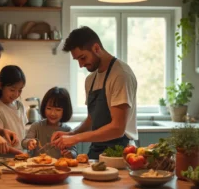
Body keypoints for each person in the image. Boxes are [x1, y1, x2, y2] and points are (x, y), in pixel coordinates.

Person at [51, 26, 138, 160]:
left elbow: (118, 128)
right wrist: (71, 134)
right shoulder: (90, 80)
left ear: (96, 48)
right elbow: (92, 119)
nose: (80, 65)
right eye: (78, 60)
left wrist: (76, 138)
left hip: (120, 152)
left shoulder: (120, 75)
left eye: (83, 58)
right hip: (96, 149)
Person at [22, 87, 77, 159]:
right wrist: (29, 142)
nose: (53, 113)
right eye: (49, 108)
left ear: (65, 111)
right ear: (44, 108)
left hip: (59, 168)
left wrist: (69, 154)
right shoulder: (36, 126)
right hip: (37, 167)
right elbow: (24, 142)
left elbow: (74, 152)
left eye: (58, 110)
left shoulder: (68, 131)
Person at [0, 65, 28, 155]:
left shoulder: (20, 106)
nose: (16, 94)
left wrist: (29, 143)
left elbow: (23, 133)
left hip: (22, 155)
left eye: (20, 90)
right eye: (12, 90)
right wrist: (18, 153)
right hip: (6, 157)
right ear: (0, 85)